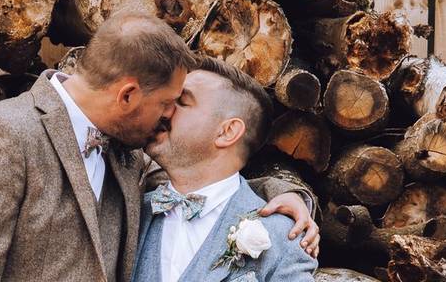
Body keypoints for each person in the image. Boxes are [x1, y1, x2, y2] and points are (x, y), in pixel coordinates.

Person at [0, 11, 318, 282]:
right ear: (129, 96)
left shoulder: (128, 155)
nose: (167, 115)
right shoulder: (5, 134)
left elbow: (207, 183)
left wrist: (286, 197)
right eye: (168, 102)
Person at [132, 56, 318, 282]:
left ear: (227, 132)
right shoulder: (131, 213)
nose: (164, 109)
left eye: (181, 102)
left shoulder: (283, 239)